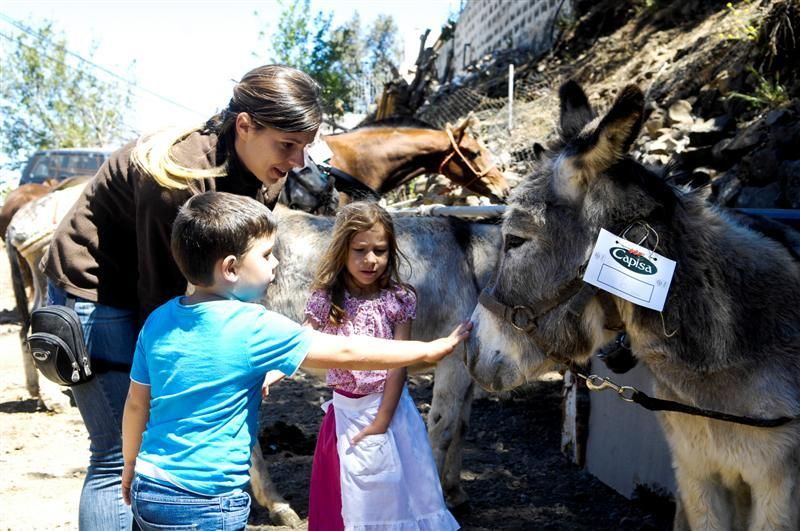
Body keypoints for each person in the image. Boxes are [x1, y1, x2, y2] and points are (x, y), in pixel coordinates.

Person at [43, 64, 324, 530]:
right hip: (99, 290)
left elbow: (239, 267)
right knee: (118, 451)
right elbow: (163, 298)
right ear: (245, 125)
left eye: (304, 147)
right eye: (287, 145)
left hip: (156, 290)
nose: (298, 162)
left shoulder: (264, 169)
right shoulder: (176, 175)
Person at [120, 192, 470, 530]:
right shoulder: (255, 325)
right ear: (230, 269)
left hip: (151, 485)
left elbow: (136, 404)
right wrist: (428, 350)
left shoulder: (156, 321)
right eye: (268, 255)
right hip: (212, 498)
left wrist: (131, 465)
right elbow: (347, 351)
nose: (275, 263)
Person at [301, 201, 460, 531]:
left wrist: (383, 420)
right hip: (345, 415)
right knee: (349, 502)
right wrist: (271, 371)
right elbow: (299, 343)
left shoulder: (398, 300)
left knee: (398, 497)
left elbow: (398, 364)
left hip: (391, 412)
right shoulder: (326, 298)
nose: (370, 260)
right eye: (360, 250)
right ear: (342, 249)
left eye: (380, 250)